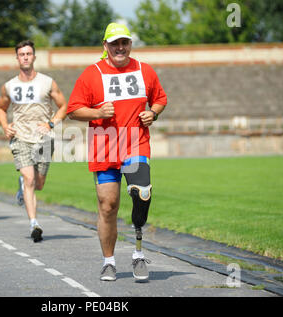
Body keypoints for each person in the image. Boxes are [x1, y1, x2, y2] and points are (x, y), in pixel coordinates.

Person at [67, 23, 167, 282]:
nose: (120, 47)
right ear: (105, 46)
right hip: (104, 146)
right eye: (114, 43)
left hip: (135, 143)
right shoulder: (92, 73)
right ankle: (109, 262)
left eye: (124, 42)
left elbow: (160, 98)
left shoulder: (144, 70)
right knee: (108, 206)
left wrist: (153, 113)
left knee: (142, 193)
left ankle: (138, 254)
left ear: (130, 44)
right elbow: (74, 109)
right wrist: (98, 113)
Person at [0, 40, 68, 242]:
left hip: (44, 139)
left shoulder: (47, 82)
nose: (25, 57)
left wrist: (51, 124)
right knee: (29, 179)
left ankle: (23, 187)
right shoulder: (9, 86)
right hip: (21, 137)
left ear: (34, 57)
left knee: (39, 183)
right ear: (17, 58)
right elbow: (1, 108)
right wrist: (5, 125)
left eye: (28, 54)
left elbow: (63, 106)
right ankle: (34, 223)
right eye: (22, 54)